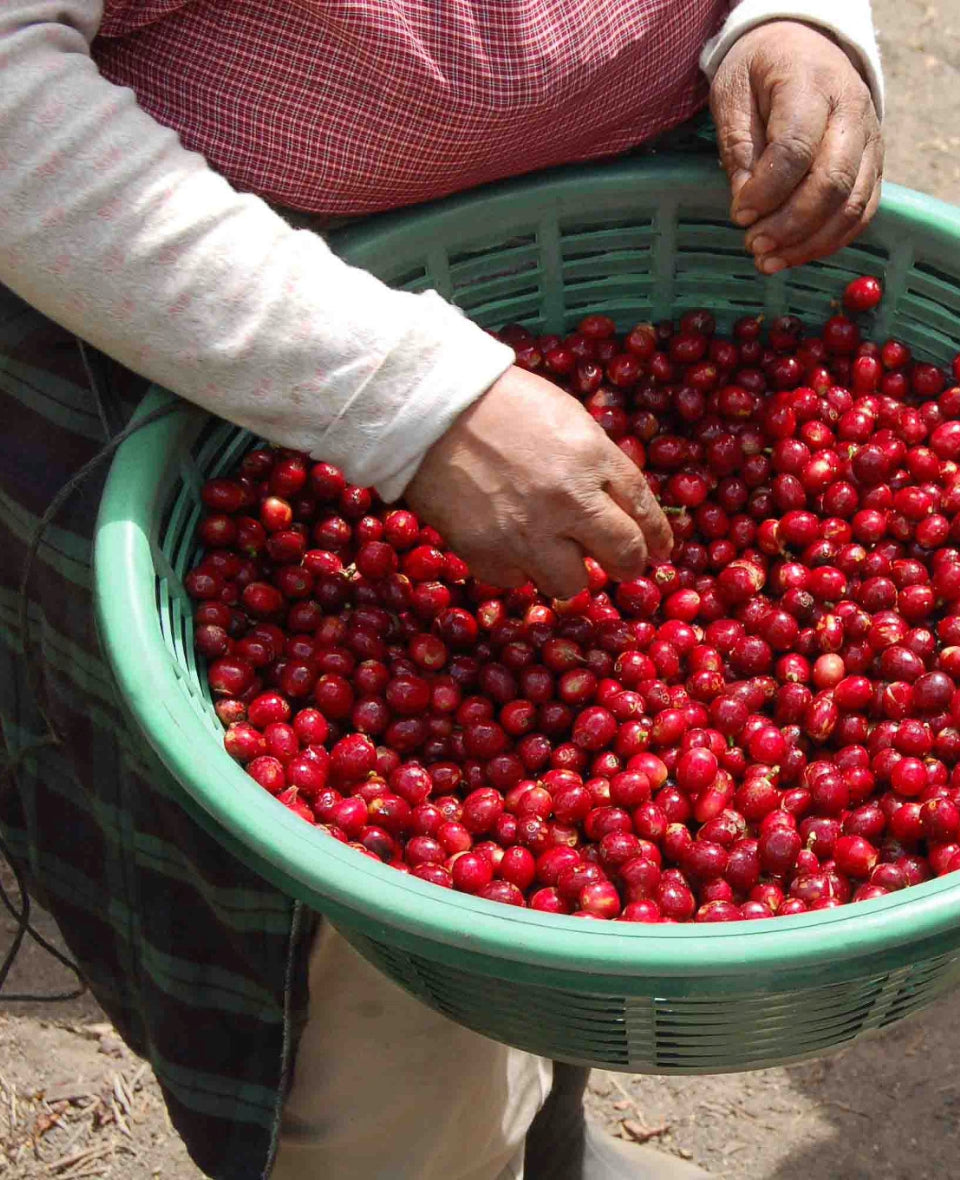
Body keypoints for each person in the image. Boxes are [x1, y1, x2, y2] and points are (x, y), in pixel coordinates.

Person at [0, 3, 884, 1178]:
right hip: (231, 336)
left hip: (593, 276)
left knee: (564, 896)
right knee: (361, 998)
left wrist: (798, 22)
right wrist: (414, 405)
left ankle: (545, 1148)